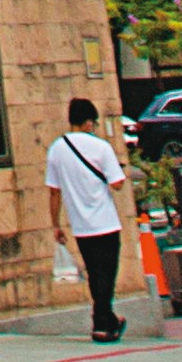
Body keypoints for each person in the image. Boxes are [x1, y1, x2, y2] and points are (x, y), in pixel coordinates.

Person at [49, 95, 137, 344]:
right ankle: (101, 323)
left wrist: (55, 224)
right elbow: (117, 184)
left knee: (95, 274)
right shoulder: (101, 148)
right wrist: (118, 169)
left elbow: (54, 191)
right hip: (106, 222)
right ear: (88, 123)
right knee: (106, 275)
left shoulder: (57, 149)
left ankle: (106, 321)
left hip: (80, 225)